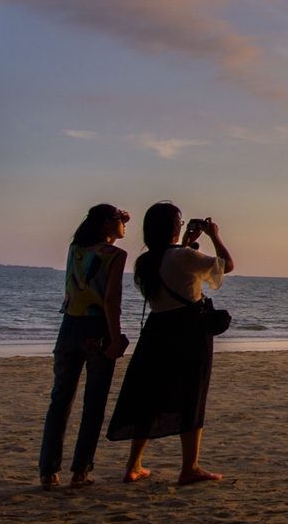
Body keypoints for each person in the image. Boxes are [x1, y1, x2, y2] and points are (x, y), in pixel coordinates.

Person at [107, 203, 234, 484]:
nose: (181, 224)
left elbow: (175, 270)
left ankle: (133, 465)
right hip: (189, 329)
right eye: (178, 221)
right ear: (170, 227)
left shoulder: (146, 261)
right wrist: (214, 235)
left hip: (157, 329)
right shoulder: (182, 256)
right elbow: (227, 265)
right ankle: (190, 467)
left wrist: (186, 244)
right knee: (192, 394)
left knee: (150, 397)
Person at [39, 204, 131, 487]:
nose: (125, 225)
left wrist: (114, 226)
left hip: (68, 327)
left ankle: (48, 471)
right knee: (93, 403)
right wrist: (115, 339)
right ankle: (80, 471)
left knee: (60, 401)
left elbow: (96, 257)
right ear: (106, 224)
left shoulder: (76, 248)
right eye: (120, 221)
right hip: (96, 328)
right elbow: (110, 301)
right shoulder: (117, 255)